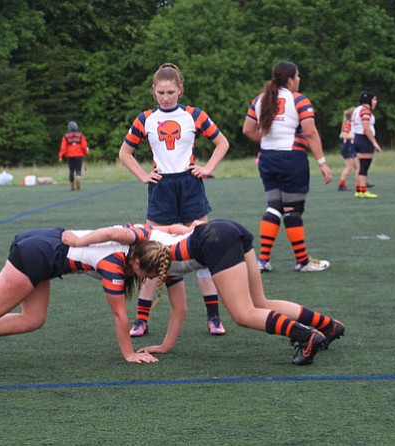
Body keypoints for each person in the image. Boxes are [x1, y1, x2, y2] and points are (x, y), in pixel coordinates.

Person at [0, 226, 186, 371]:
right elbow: (119, 315)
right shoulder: (114, 266)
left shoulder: (141, 237)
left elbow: (158, 230)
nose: (146, 281)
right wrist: (129, 354)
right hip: (37, 254)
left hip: (47, 249)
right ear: (135, 263)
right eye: (146, 275)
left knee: (33, 320)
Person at [62, 220, 345, 366]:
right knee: (260, 302)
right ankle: (329, 326)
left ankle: (307, 337)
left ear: (140, 263)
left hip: (214, 240)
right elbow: (180, 309)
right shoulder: (158, 256)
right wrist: (165, 346)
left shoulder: (143, 246)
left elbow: (112, 232)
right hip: (224, 229)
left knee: (243, 314)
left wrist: (79, 239)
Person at [118, 62, 230, 337]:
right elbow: (124, 152)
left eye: (170, 91)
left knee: (204, 249)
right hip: (161, 188)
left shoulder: (194, 115)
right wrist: (144, 176)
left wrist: (207, 169)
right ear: (153, 92)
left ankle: (214, 317)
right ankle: (142, 320)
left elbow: (222, 143)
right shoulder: (145, 119)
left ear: (180, 89)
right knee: (151, 253)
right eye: (160, 93)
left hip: (190, 186)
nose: (166, 97)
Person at [242, 61, 332, 273]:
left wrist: (266, 143)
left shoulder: (260, 99)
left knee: (274, 206)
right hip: (291, 159)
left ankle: (263, 261)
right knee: (292, 209)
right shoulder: (298, 100)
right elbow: (310, 132)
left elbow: (248, 129)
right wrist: (322, 163)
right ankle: (302, 261)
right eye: (297, 76)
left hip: (267, 158)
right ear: (290, 79)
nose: (299, 80)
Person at [352, 91, 382, 198]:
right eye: (374, 99)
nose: (375, 101)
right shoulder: (365, 111)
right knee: (364, 166)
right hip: (364, 140)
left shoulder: (357, 109)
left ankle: (359, 189)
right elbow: (366, 128)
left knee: (360, 167)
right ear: (368, 100)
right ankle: (363, 190)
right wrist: (374, 142)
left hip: (357, 138)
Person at [58, 121, 89, 191]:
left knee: (71, 171)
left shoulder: (66, 136)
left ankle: (72, 187)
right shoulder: (81, 135)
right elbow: (84, 146)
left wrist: (60, 156)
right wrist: (86, 152)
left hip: (69, 156)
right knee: (78, 169)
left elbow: (63, 148)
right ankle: (78, 176)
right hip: (79, 155)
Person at [337, 107, 358, 191]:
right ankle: (341, 185)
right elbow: (343, 135)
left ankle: (361, 183)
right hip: (348, 146)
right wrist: (356, 137)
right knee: (349, 167)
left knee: (358, 167)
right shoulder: (349, 123)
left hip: (351, 146)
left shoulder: (352, 123)